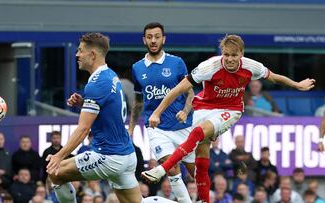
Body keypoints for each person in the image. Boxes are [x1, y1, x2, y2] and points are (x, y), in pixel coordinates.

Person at [141, 34, 315, 203]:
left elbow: (275, 77)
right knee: (201, 160)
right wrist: (157, 112)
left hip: (231, 110)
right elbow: (178, 89)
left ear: (241, 54)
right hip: (204, 106)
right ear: (221, 53)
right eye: (226, 54)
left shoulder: (251, 66)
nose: (230, 59)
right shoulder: (208, 67)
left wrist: (297, 85)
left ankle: (161, 169)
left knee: (197, 133)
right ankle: (204, 200)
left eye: (234, 55)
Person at [45, 32, 142, 203]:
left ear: (92, 54)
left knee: (55, 171)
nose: (77, 55)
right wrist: (84, 103)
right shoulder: (110, 74)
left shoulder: (96, 83)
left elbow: (83, 130)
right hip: (127, 155)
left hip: (108, 156)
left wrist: (58, 156)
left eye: (80, 50)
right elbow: (108, 110)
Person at [128, 22, 195, 203]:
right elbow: (138, 101)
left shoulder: (177, 63)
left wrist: (185, 109)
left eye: (157, 36)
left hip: (183, 126)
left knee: (196, 172)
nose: (153, 40)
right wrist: (131, 128)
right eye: (149, 37)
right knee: (171, 166)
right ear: (144, 40)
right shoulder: (137, 68)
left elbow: (190, 93)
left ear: (163, 39)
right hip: (156, 127)